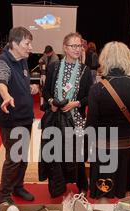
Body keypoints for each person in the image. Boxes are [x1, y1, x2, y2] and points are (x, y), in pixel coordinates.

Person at [86, 41, 130, 202]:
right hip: (128, 148)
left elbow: (91, 124)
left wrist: (86, 150)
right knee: (127, 193)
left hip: (103, 149)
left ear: (104, 59)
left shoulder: (97, 89)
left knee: (103, 193)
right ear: (127, 59)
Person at [39, 32, 92, 198]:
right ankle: (57, 186)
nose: (78, 49)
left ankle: (82, 184)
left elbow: (89, 95)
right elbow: (46, 89)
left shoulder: (85, 70)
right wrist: (51, 102)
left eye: (80, 46)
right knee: (55, 152)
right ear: (65, 47)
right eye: (74, 46)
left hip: (75, 118)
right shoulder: (54, 67)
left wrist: (75, 103)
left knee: (76, 153)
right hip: (55, 117)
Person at [0, 27, 39, 205]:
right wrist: (6, 96)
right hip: (11, 120)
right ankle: (4, 195)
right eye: (27, 43)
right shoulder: (3, 62)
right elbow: (2, 81)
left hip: (26, 117)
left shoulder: (22, 60)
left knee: (22, 158)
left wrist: (30, 88)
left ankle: (18, 187)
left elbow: (18, 82)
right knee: (13, 159)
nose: (30, 47)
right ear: (14, 44)